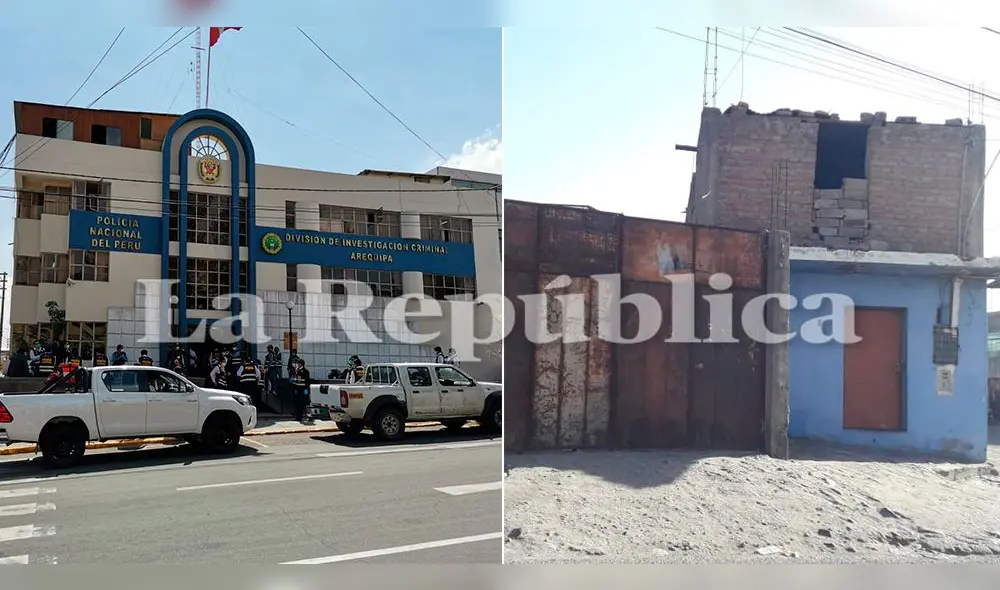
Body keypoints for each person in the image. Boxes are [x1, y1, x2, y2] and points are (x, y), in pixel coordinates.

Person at [290, 357, 311, 423]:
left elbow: (306, 381)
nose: (297, 365)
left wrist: (306, 390)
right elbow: (296, 381)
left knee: (304, 404)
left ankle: (309, 416)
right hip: (298, 390)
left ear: (301, 364)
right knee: (298, 404)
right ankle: (298, 417)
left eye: (298, 364)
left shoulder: (305, 371)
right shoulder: (297, 371)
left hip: (303, 390)